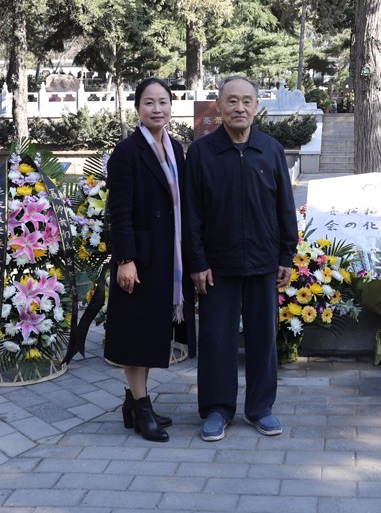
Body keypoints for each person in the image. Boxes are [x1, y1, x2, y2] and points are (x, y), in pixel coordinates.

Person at [184, 75, 299, 442]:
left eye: (247, 101)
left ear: (256, 106)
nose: (240, 108)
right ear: (218, 107)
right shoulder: (201, 153)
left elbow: (285, 207)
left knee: (263, 338)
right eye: (231, 101)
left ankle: (260, 408)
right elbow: (192, 214)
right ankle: (217, 409)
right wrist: (198, 262)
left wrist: (286, 253)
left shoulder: (271, 149)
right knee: (217, 339)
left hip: (264, 262)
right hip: (218, 267)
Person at [105, 77, 195, 442]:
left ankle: (133, 402)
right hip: (139, 259)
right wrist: (125, 258)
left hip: (165, 258)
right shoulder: (127, 152)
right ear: (137, 108)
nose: (157, 109)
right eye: (148, 102)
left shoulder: (175, 147)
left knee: (150, 331)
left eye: (163, 102)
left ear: (171, 107)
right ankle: (142, 411)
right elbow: (119, 211)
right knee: (138, 333)